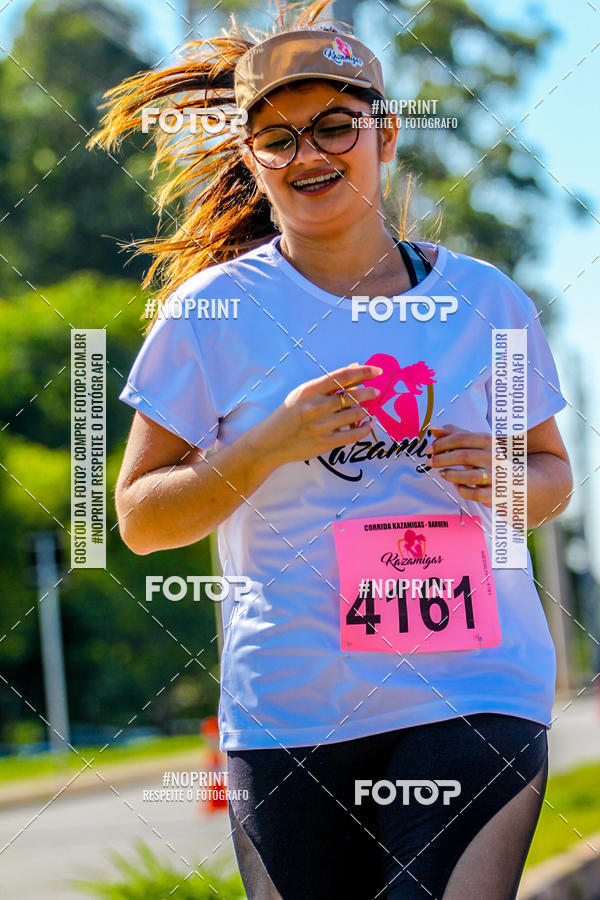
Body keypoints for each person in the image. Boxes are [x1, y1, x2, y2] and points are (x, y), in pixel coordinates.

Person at [89, 2, 573, 897]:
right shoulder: (212, 315)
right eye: (278, 138)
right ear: (252, 159)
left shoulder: (487, 302)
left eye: (335, 127)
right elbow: (140, 520)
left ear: (385, 136)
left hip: (475, 688)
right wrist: (268, 445)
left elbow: (552, 480)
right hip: (292, 712)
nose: (308, 154)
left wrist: (503, 475)